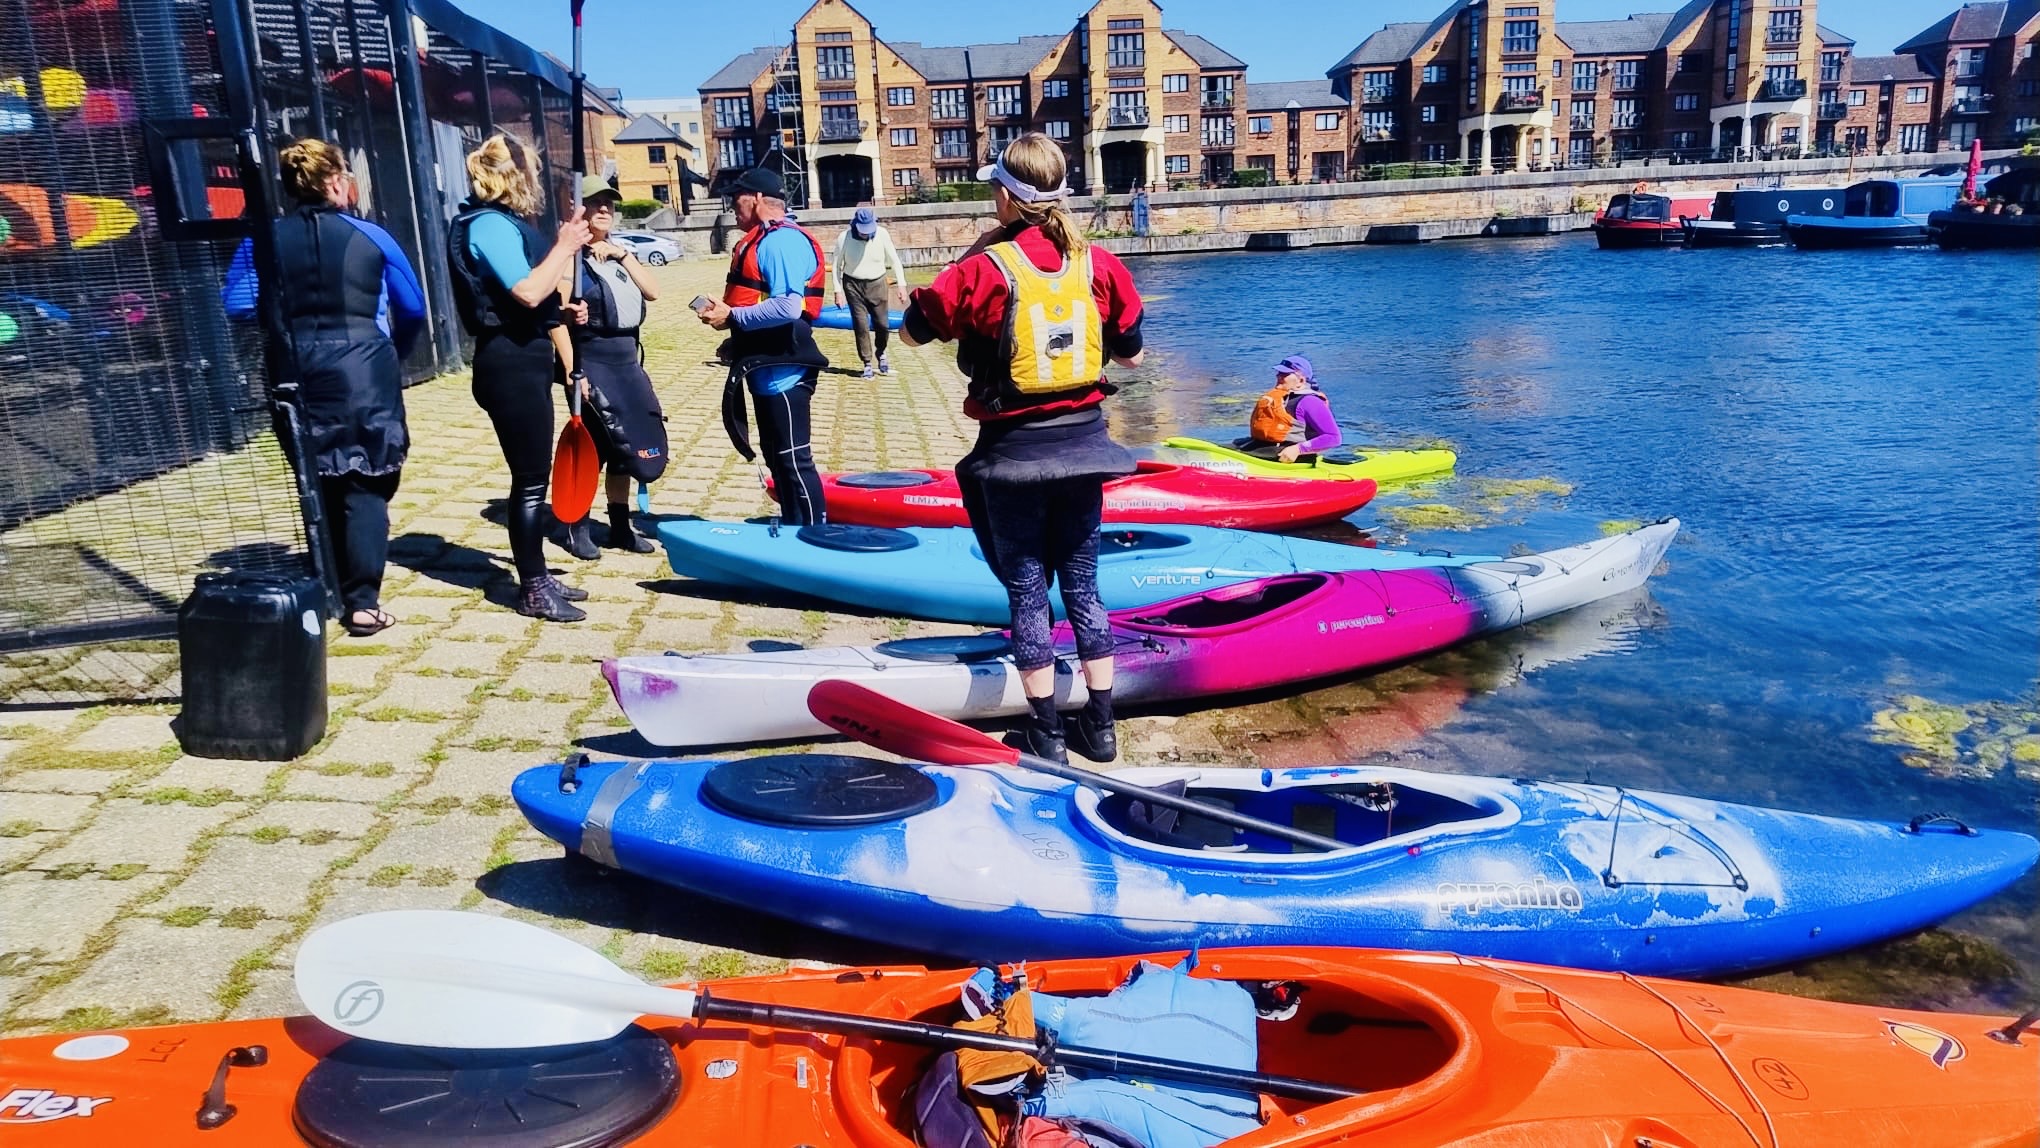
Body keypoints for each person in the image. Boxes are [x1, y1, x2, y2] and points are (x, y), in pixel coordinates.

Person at [900, 133, 1145, 765]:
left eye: (993, 189)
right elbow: (1133, 355)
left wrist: (972, 256)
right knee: (1085, 588)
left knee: (1029, 589)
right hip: (1087, 450)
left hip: (1013, 455)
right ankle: (1101, 724)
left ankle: (1046, 733)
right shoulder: (1100, 263)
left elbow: (914, 334)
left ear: (1008, 197)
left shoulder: (984, 268)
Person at [222, 139, 424, 638]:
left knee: (317, 475)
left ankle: (328, 582)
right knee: (368, 480)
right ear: (335, 181)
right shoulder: (372, 236)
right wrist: (392, 352)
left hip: (294, 368)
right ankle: (362, 601)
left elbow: (237, 304)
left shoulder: (262, 239)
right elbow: (414, 307)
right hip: (363, 369)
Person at [445, 133, 592, 621]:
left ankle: (539, 573)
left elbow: (533, 300)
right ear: (512, 177)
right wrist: (564, 245)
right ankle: (531, 588)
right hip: (508, 364)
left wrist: (563, 313)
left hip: (522, 356)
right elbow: (528, 291)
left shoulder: (501, 224)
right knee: (529, 481)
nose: (538, 184)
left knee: (534, 477)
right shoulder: (487, 225)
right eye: (531, 172)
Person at [697, 167, 829, 525]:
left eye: (735, 199)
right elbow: (763, 305)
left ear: (755, 199)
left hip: (785, 371)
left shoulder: (780, 241)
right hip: (765, 366)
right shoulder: (763, 240)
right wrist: (737, 340)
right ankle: (793, 528)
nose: (731, 207)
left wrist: (734, 318)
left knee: (793, 458)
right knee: (777, 457)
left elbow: (788, 306)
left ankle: (816, 537)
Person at [561, 174, 667, 560]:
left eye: (610, 203)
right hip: (592, 361)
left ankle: (620, 528)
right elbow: (558, 323)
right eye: (595, 202)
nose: (605, 208)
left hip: (626, 362)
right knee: (595, 447)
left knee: (626, 447)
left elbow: (652, 291)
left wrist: (622, 254)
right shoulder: (568, 258)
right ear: (578, 207)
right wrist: (576, 373)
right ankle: (577, 528)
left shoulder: (619, 253)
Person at [831, 205, 908, 378]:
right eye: (862, 230)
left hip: (877, 283)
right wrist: (838, 290)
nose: (865, 234)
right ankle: (866, 361)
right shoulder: (844, 238)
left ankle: (881, 352)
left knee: (882, 323)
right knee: (861, 324)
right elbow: (836, 266)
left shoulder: (882, 235)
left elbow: (895, 261)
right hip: (853, 285)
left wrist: (901, 285)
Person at [1242, 355, 1340, 464]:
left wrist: (1298, 449)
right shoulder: (1283, 397)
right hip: (1263, 448)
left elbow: (1333, 438)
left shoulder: (1310, 401)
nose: (1278, 376)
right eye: (1279, 373)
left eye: (1284, 374)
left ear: (1300, 381)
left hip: (1287, 457)